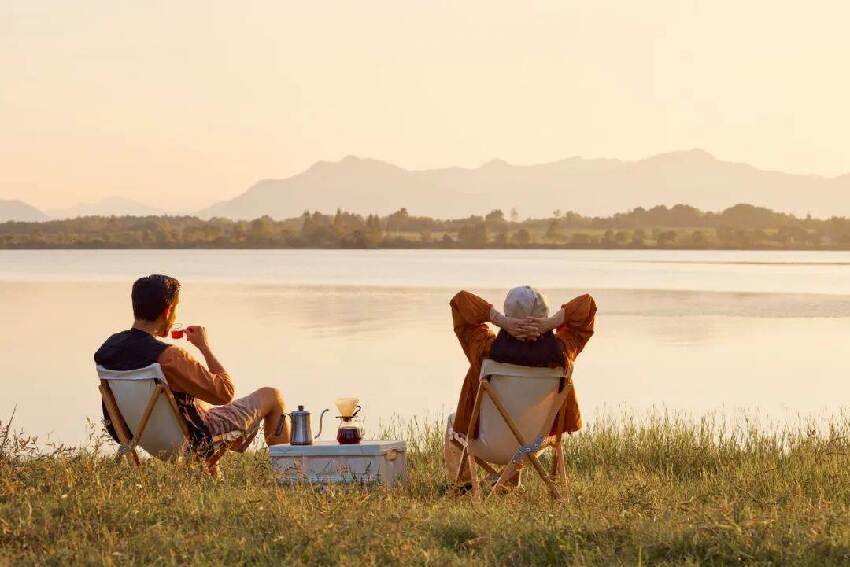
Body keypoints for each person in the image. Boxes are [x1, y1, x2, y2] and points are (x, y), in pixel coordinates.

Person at [94, 274, 288, 474]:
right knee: (273, 396)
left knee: (197, 402)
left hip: (144, 436)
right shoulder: (169, 357)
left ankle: (211, 480)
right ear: (168, 311)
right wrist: (204, 347)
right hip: (193, 440)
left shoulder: (108, 349)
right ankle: (289, 474)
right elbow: (225, 393)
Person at [445, 286, 597, 487]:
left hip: (490, 445)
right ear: (545, 315)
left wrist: (500, 320)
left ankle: (462, 486)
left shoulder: (484, 351)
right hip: (534, 446)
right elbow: (587, 305)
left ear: (508, 314)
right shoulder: (562, 352)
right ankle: (506, 483)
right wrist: (550, 323)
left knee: (452, 421)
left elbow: (460, 302)